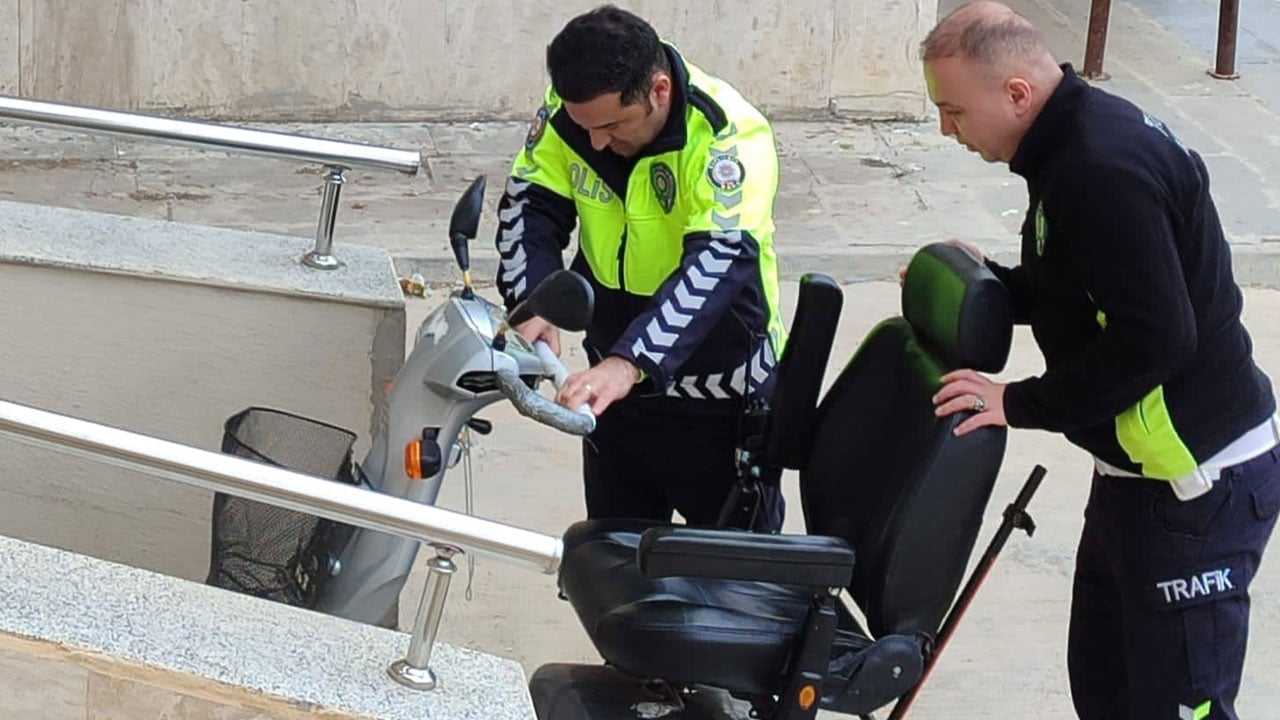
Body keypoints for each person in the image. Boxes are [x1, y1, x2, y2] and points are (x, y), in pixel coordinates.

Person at [922, 3, 1280, 718]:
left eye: (954, 111)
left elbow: (1156, 337)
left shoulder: (1099, 168)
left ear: (1016, 94)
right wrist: (989, 281)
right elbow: (1082, 288)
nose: (946, 130)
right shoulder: (1067, 148)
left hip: (1195, 487)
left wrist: (1017, 402)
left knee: (1175, 706)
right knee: (1105, 690)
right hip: (1135, 478)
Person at [492, 5, 787, 531]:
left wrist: (630, 362)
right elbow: (529, 206)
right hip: (613, 395)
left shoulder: (728, 137)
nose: (596, 142)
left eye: (612, 125)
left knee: (735, 574)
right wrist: (533, 300)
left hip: (719, 397)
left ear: (659, 91)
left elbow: (717, 264)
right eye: (586, 126)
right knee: (615, 561)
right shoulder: (572, 113)